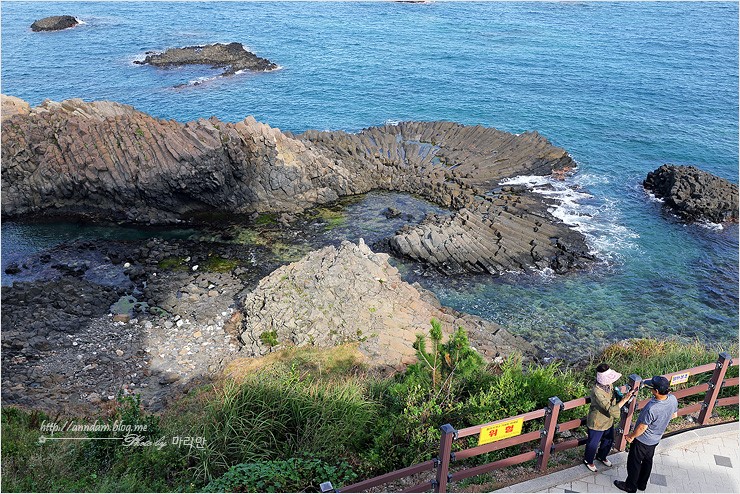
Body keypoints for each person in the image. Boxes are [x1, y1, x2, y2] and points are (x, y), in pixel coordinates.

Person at [614, 375, 678, 493]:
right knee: (648, 461)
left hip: (643, 440)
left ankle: (630, 486)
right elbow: (674, 415)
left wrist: (631, 436)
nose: (651, 389)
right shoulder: (673, 399)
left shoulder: (652, 407)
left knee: (634, 462)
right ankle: (642, 485)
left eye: (652, 387)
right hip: (655, 439)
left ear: (657, 391)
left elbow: (642, 427)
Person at [583, 363, 636, 472]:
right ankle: (588, 460)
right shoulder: (597, 392)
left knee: (609, 439)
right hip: (597, 421)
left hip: (608, 420)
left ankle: (602, 456)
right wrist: (624, 400)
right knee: (593, 443)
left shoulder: (608, 385)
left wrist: (619, 395)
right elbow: (610, 409)